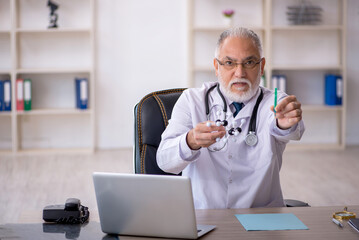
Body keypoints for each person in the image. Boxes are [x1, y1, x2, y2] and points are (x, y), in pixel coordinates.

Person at [156, 27, 305, 209]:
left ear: (262, 66)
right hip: (204, 217)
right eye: (229, 63)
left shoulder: (275, 102)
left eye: (249, 62)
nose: (240, 73)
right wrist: (190, 141)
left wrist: (284, 125)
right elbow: (164, 162)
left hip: (263, 218)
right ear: (216, 66)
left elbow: (292, 131)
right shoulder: (191, 100)